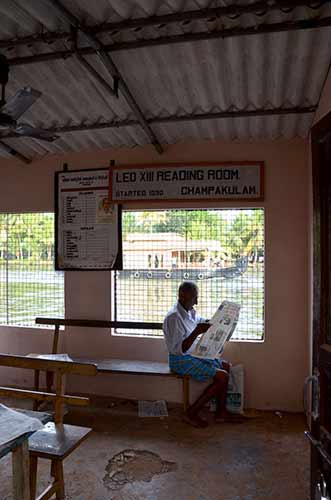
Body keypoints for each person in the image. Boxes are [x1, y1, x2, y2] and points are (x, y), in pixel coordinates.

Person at [163, 281, 241, 428]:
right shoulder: (174, 318)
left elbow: (202, 322)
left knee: (226, 366)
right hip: (180, 360)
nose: (197, 302)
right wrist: (197, 331)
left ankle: (221, 412)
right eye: (194, 298)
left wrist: (222, 323)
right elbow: (179, 350)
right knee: (222, 376)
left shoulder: (189, 311)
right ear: (182, 296)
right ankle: (191, 413)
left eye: (197, 297)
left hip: (192, 355)